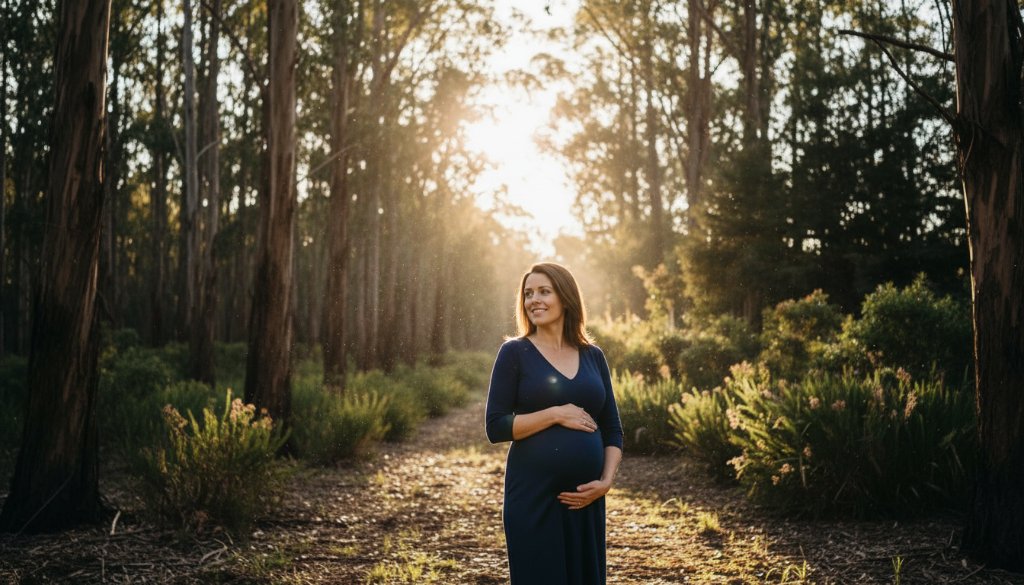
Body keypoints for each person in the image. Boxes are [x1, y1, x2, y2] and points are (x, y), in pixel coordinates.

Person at [485, 261, 624, 585]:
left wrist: (605, 481)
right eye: (528, 293)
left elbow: (612, 428)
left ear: (565, 297)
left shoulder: (593, 356)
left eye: (544, 292)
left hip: (586, 499)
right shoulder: (514, 352)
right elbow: (496, 426)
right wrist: (556, 414)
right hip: (533, 498)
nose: (534, 300)